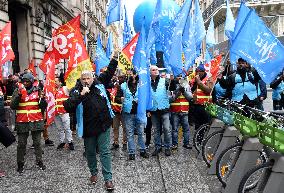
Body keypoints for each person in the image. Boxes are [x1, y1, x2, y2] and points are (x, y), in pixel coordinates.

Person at [63, 52, 119, 190]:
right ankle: (93, 172)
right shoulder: (77, 90)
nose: (86, 81)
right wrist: (81, 95)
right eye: (84, 79)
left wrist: (115, 58)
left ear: (93, 77)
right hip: (88, 127)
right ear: (81, 79)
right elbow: (68, 105)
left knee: (105, 151)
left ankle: (108, 179)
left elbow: (110, 72)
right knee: (90, 152)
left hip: (103, 124)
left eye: (88, 78)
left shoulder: (99, 83)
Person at [10, 73, 47, 173]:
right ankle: (20, 163)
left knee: (38, 143)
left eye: (27, 81)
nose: (25, 83)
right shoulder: (17, 91)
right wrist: (18, 96)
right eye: (24, 81)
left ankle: (39, 161)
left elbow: (43, 107)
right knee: (21, 144)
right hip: (22, 121)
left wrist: (43, 99)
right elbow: (12, 106)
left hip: (36, 121)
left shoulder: (38, 91)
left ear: (31, 81)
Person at [121, 72, 149, 160]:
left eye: (133, 74)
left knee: (141, 132)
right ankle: (131, 152)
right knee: (129, 133)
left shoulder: (141, 84)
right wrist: (121, 99)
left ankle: (142, 150)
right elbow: (117, 97)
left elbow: (146, 97)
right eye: (129, 74)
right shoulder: (123, 85)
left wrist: (141, 101)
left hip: (139, 112)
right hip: (128, 113)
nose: (131, 75)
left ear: (136, 75)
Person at [149, 65, 172, 157]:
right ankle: (158, 147)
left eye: (157, 70)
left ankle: (167, 147)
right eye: (153, 70)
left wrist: (172, 79)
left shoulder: (164, 80)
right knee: (156, 130)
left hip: (164, 109)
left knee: (166, 129)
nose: (156, 71)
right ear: (150, 72)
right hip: (154, 110)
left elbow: (172, 86)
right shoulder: (148, 83)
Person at [169, 74, 192, 150]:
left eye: (181, 77)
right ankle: (174, 144)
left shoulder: (186, 85)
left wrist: (184, 92)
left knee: (186, 129)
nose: (179, 78)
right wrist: (178, 93)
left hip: (184, 110)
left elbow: (190, 98)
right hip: (175, 111)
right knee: (174, 129)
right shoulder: (171, 85)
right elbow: (169, 99)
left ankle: (186, 143)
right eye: (178, 76)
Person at [191, 64, 213, 132]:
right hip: (197, 106)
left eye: (199, 71)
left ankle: (205, 140)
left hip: (205, 106)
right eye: (196, 71)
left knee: (205, 125)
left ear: (203, 72)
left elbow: (208, 90)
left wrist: (199, 82)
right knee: (198, 126)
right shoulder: (196, 79)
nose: (198, 73)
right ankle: (198, 141)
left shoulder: (209, 78)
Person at [54, 77, 74, 150]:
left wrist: (71, 77)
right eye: (54, 81)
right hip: (56, 113)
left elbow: (71, 87)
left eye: (56, 81)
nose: (55, 82)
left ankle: (70, 142)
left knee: (67, 128)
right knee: (60, 128)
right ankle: (61, 142)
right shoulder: (53, 90)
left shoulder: (65, 88)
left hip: (64, 112)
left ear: (60, 82)